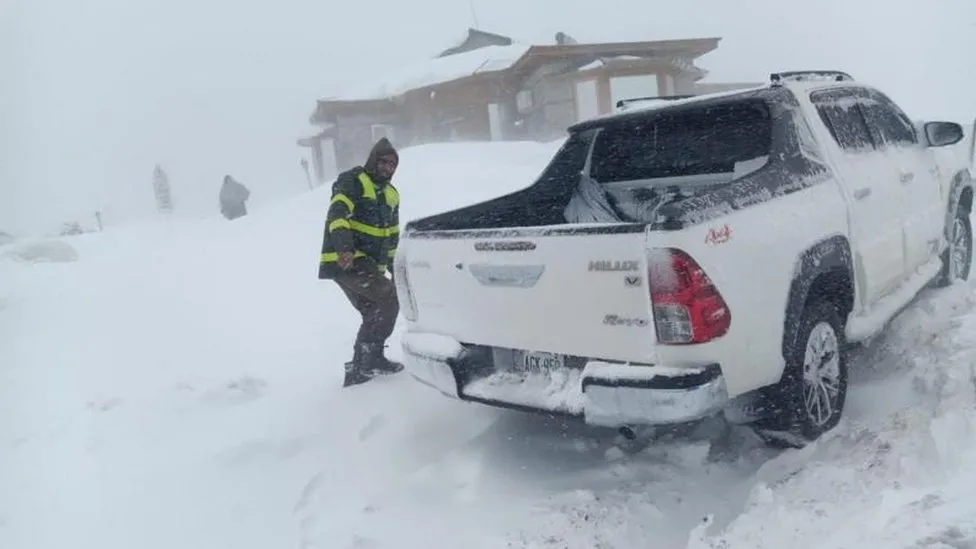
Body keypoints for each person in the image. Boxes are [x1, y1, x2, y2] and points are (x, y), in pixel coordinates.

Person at [318, 137, 404, 387]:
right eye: (384, 162)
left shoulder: (391, 194)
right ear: (373, 160)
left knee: (374, 310)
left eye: (393, 164)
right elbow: (337, 214)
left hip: (369, 266)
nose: (388, 168)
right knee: (387, 298)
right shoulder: (353, 180)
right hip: (347, 261)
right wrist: (344, 248)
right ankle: (369, 361)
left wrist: (394, 267)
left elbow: (391, 235)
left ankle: (361, 367)